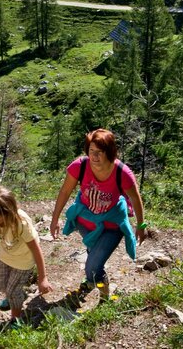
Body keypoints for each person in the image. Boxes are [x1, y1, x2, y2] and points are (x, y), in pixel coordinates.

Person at [49, 128, 149, 305]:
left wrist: (141, 226)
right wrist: (55, 219)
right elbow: (65, 191)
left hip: (112, 225)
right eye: (91, 151)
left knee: (93, 266)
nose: (94, 157)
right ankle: (92, 281)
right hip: (85, 222)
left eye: (99, 152)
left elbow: (135, 198)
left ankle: (104, 298)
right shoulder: (80, 166)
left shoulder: (122, 173)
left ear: (109, 153)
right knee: (94, 256)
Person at [0, 185, 53, 325]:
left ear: (8, 213)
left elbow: (36, 249)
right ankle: (15, 297)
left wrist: (43, 278)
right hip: (5, 256)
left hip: (23, 261)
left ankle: (15, 320)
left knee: (12, 291)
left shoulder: (21, 223)